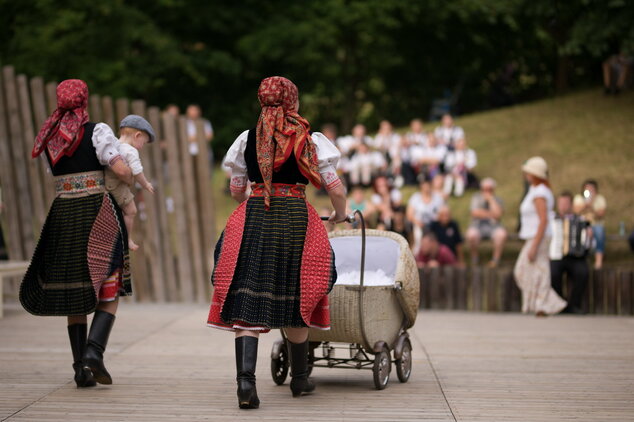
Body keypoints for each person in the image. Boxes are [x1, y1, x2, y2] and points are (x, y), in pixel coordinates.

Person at [207, 76, 348, 409]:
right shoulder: (309, 140)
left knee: (248, 300)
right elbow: (336, 189)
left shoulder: (247, 139)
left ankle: (245, 384)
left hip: (255, 216)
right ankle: (299, 379)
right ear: (293, 102)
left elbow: (236, 189)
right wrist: (339, 213)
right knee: (298, 293)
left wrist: (254, 197)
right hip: (296, 218)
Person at [20, 79, 133, 388]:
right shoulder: (97, 131)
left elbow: (53, 173)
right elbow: (120, 169)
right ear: (85, 100)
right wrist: (131, 176)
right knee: (110, 280)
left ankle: (79, 369)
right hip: (97, 210)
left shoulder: (50, 136)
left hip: (63, 213)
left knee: (75, 286)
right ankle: (94, 352)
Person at [513, 157, 566, 316]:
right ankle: (539, 304)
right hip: (535, 236)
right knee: (532, 271)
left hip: (538, 237)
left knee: (527, 270)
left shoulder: (540, 192)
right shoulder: (536, 190)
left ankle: (547, 303)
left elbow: (543, 219)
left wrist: (535, 244)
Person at [104, 115, 155, 250]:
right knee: (131, 211)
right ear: (137, 135)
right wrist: (146, 184)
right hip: (116, 185)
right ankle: (126, 239)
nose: (142, 147)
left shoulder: (114, 145)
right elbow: (137, 172)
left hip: (107, 184)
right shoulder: (131, 151)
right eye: (143, 142)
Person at [549, 191, 591, 314]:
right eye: (560, 203)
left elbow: (588, 244)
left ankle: (574, 305)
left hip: (575, 256)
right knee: (553, 273)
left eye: (565, 203)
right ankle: (559, 304)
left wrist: (589, 236)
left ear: (571, 204)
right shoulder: (551, 219)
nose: (562, 206)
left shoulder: (581, 220)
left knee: (582, 272)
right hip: (556, 254)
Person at [466, 177, 507, 267]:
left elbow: (498, 215)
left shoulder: (498, 200)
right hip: (477, 226)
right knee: (471, 235)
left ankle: (495, 260)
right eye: (485, 189)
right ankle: (474, 258)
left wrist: (491, 200)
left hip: (494, 227)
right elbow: (475, 213)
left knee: (501, 234)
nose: (487, 191)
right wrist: (492, 214)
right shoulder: (476, 198)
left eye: (489, 189)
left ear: (493, 189)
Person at [573, 180, 607, 269]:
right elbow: (575, 212)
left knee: (599, 232)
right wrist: (585, 205)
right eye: (587, 189)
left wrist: (591, 205)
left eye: (592, 189)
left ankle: (598, 261)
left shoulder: (600, 199)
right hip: (581, 224)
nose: (589, 191)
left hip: (596, 224)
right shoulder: (578, 198)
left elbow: (601, 215)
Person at [406, 176, 445, 252]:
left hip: (434, 225)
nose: (426, 186)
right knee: (417, 235)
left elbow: (443, 213)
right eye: (424, 184)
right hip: (417, 224)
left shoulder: (438, 198)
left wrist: (435, 221)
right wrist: (417, 222)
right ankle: (416, 252)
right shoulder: (415, 197)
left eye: (428, 184)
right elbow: (409, 214)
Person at [401, 118, 428, 185]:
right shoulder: (408, 136)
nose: (417, 127)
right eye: (415, 126)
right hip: (411, 159)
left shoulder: (425, 135)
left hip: (424, 158)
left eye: (418, 125)